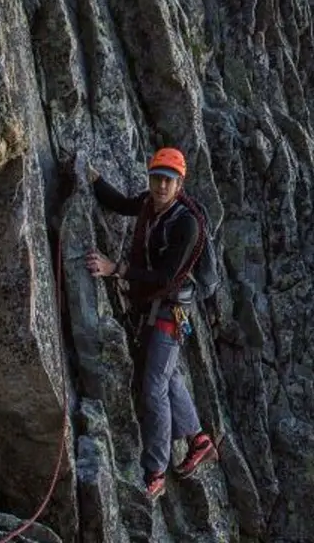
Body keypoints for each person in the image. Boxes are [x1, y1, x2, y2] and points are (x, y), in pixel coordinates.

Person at [84, 146, 217, 499]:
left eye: (168, 181)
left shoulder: (186, 223)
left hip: (170, 309)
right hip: (155, 308)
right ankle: (199, 439)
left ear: (179, 184)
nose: (160, 186)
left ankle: (155, 469)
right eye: (157, 178)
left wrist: (117, 269)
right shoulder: (149, 202)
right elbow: (123, 204)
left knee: (153, 386)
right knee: (168, 375)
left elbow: (164, 275)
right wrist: (93, 179)